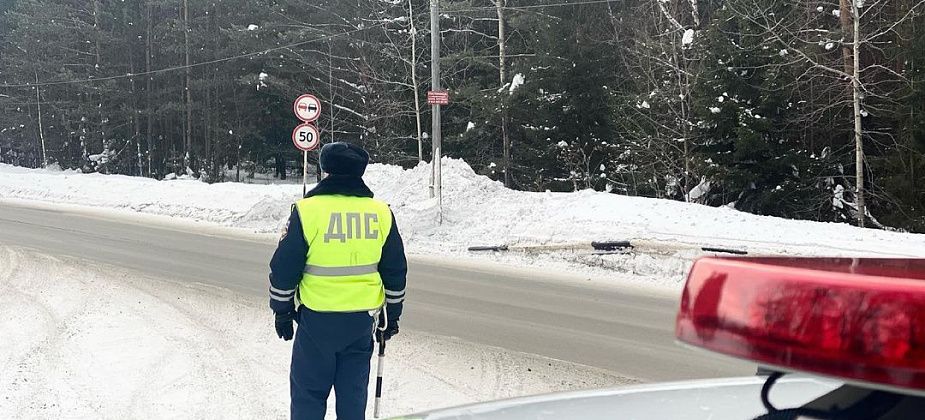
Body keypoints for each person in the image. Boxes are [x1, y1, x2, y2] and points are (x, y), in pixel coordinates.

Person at [268, 142, 407, 420]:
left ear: (326, 169)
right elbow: (395, 270)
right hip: (360, 323)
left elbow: (284, 269)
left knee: (308, 395)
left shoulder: (308, 211)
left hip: (317, 323)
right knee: (353, 397)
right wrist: (392, 317)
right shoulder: (380, 213)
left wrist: (282, 311)